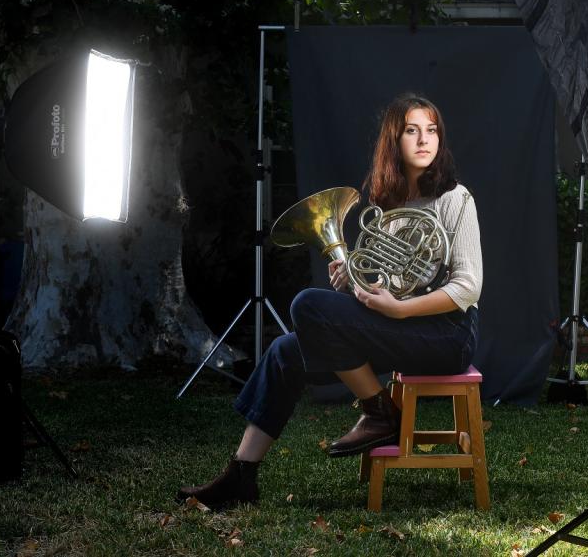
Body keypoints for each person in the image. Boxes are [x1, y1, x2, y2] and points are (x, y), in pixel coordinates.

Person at [177, 93, 483, 509]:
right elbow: (393, 281)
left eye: (431, 131)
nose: (424, 140)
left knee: (306, 305)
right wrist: (356, 283)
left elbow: (467, 288)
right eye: (412, 130)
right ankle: (241, 476)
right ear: (394, 140)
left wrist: (397, 309)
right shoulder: (388, 204)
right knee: (287, 350)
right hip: (403, 327)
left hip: (447, 335)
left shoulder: (455, 198)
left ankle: (380, 414)